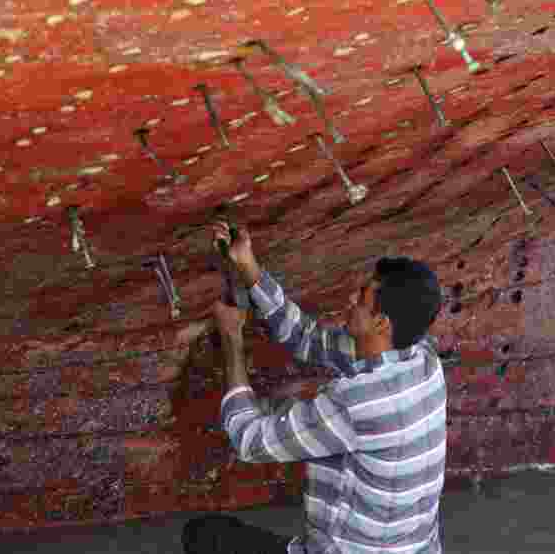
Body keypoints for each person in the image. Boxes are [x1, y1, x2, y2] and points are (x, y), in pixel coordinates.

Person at [182, 220, 447, 554]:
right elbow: (307, 339)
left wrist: (232, 341)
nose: (352, 298)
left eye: (362, 298)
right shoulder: (423, 359)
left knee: (205, 537)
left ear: (382, 323)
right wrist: (248, 266)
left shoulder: (357, 403)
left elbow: (248, 440)